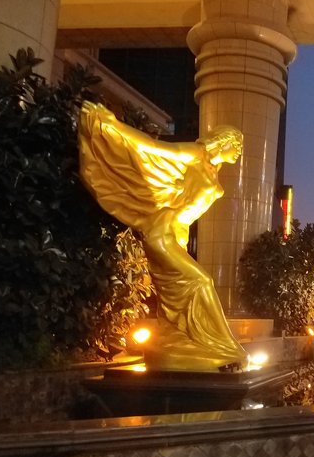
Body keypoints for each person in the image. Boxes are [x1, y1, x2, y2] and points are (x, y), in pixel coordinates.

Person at [78, 101, 247, 371]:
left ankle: (183, 340)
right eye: (236, 144)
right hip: (162, 232)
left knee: (177, 295)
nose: (239, 150)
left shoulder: (212, 170)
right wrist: (113, 125)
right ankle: (224, 347)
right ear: (222, 141)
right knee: (201, 281)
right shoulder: (196, 154)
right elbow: (151, 147)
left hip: (177, 236)